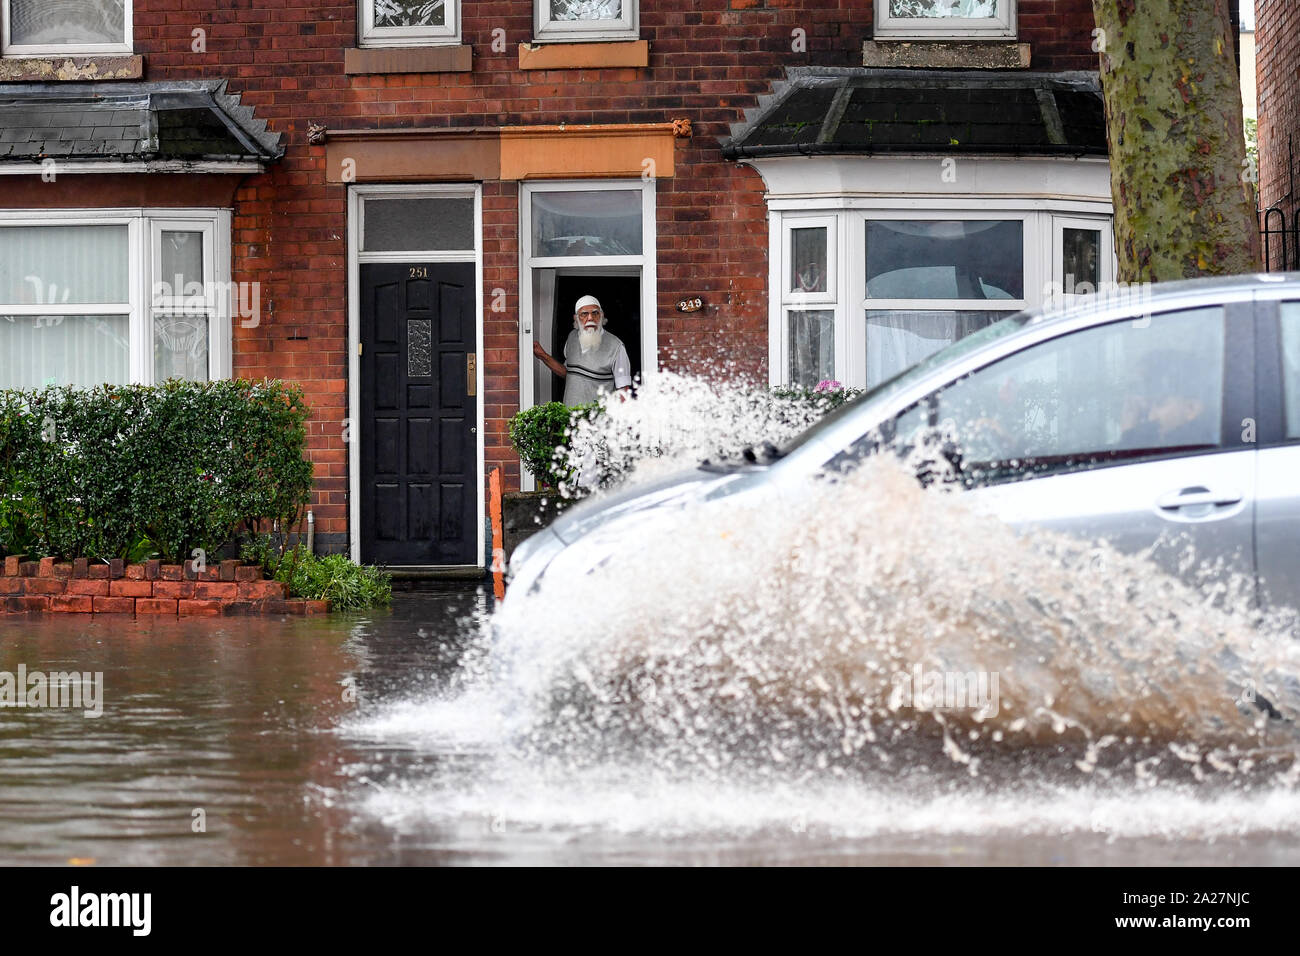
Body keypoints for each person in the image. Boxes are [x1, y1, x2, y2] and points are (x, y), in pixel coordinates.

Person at [533, 295, 633, 405]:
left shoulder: (616, 347)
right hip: (571, 417)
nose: (590, 318)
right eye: (584, 314)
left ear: (602, 316)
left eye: (595, 313)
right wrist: (542, 355)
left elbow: (623, 391)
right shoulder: (572, 338)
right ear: (576, 318)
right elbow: (569, 374)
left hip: (599, 419)